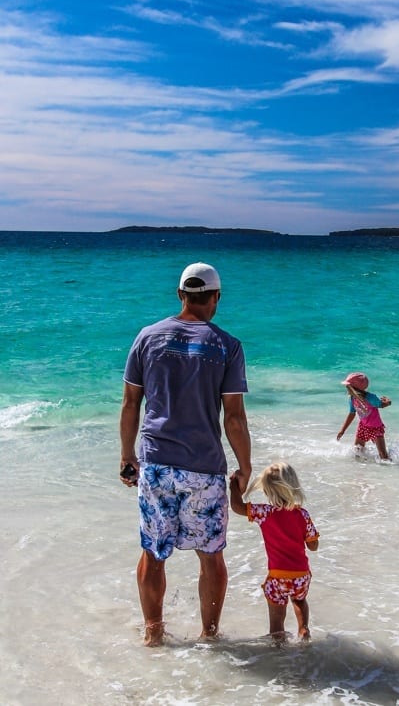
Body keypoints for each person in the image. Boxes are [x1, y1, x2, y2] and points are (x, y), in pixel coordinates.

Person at [119, 261, 252, 647]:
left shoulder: (147, 337)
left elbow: (131, 403)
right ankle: (209, 637)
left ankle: (153, 635)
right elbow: (235, 418)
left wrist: (127, 455)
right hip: (204, 467)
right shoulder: (227, 346)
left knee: (153, 552)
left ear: (180, 295)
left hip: (157, 464)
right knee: (210, 556)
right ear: (216, 298)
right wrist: (245, 467)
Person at [229, 462, 319, 642]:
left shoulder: (264, 512)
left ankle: (277, 643)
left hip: (277, 577)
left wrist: (233, 486)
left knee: (277, 617)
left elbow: (238, 507)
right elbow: (313, 546)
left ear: (268, 491)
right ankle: (303, 629)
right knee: (299, 601)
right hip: (301, 575)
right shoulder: (302, 514)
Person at [336, 371, 391, 460]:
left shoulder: (371, 398)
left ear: (354, 388)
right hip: (363, 427)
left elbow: (381, 405)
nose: (346, 388)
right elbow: (351, 414)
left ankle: (390, 471)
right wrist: (342, 430)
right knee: (358, 452)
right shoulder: (352, 399)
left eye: (348, 386)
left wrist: (388, 402)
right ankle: (360, 470)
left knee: (383, 456)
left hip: (376, 428)